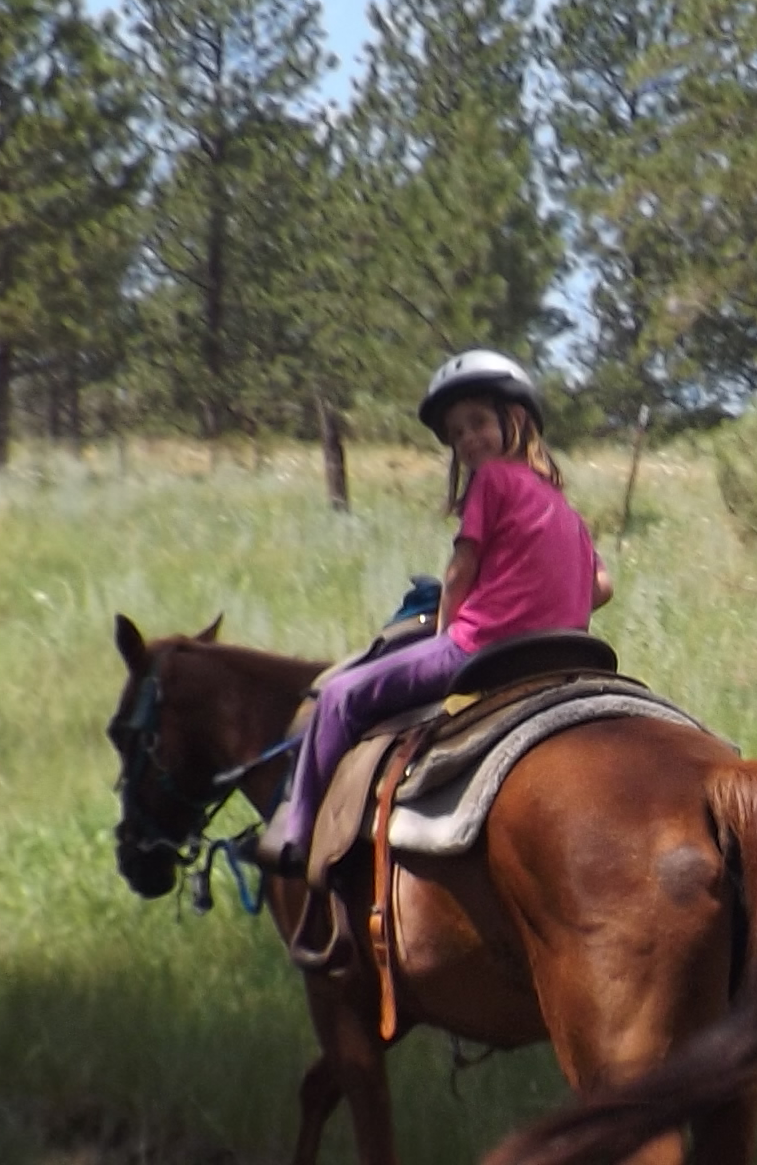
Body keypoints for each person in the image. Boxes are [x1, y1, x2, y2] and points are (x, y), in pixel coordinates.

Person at [259, 350, 608, 869]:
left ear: (514, 419)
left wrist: (448, 632)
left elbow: (460, 570)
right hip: (561, 656)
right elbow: (603, 586)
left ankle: (297, 830)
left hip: (482, 650)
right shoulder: (564, 506)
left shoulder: (492, 479)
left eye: (477, 423)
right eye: (457, 434)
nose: (467, 440)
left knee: (337, 695)